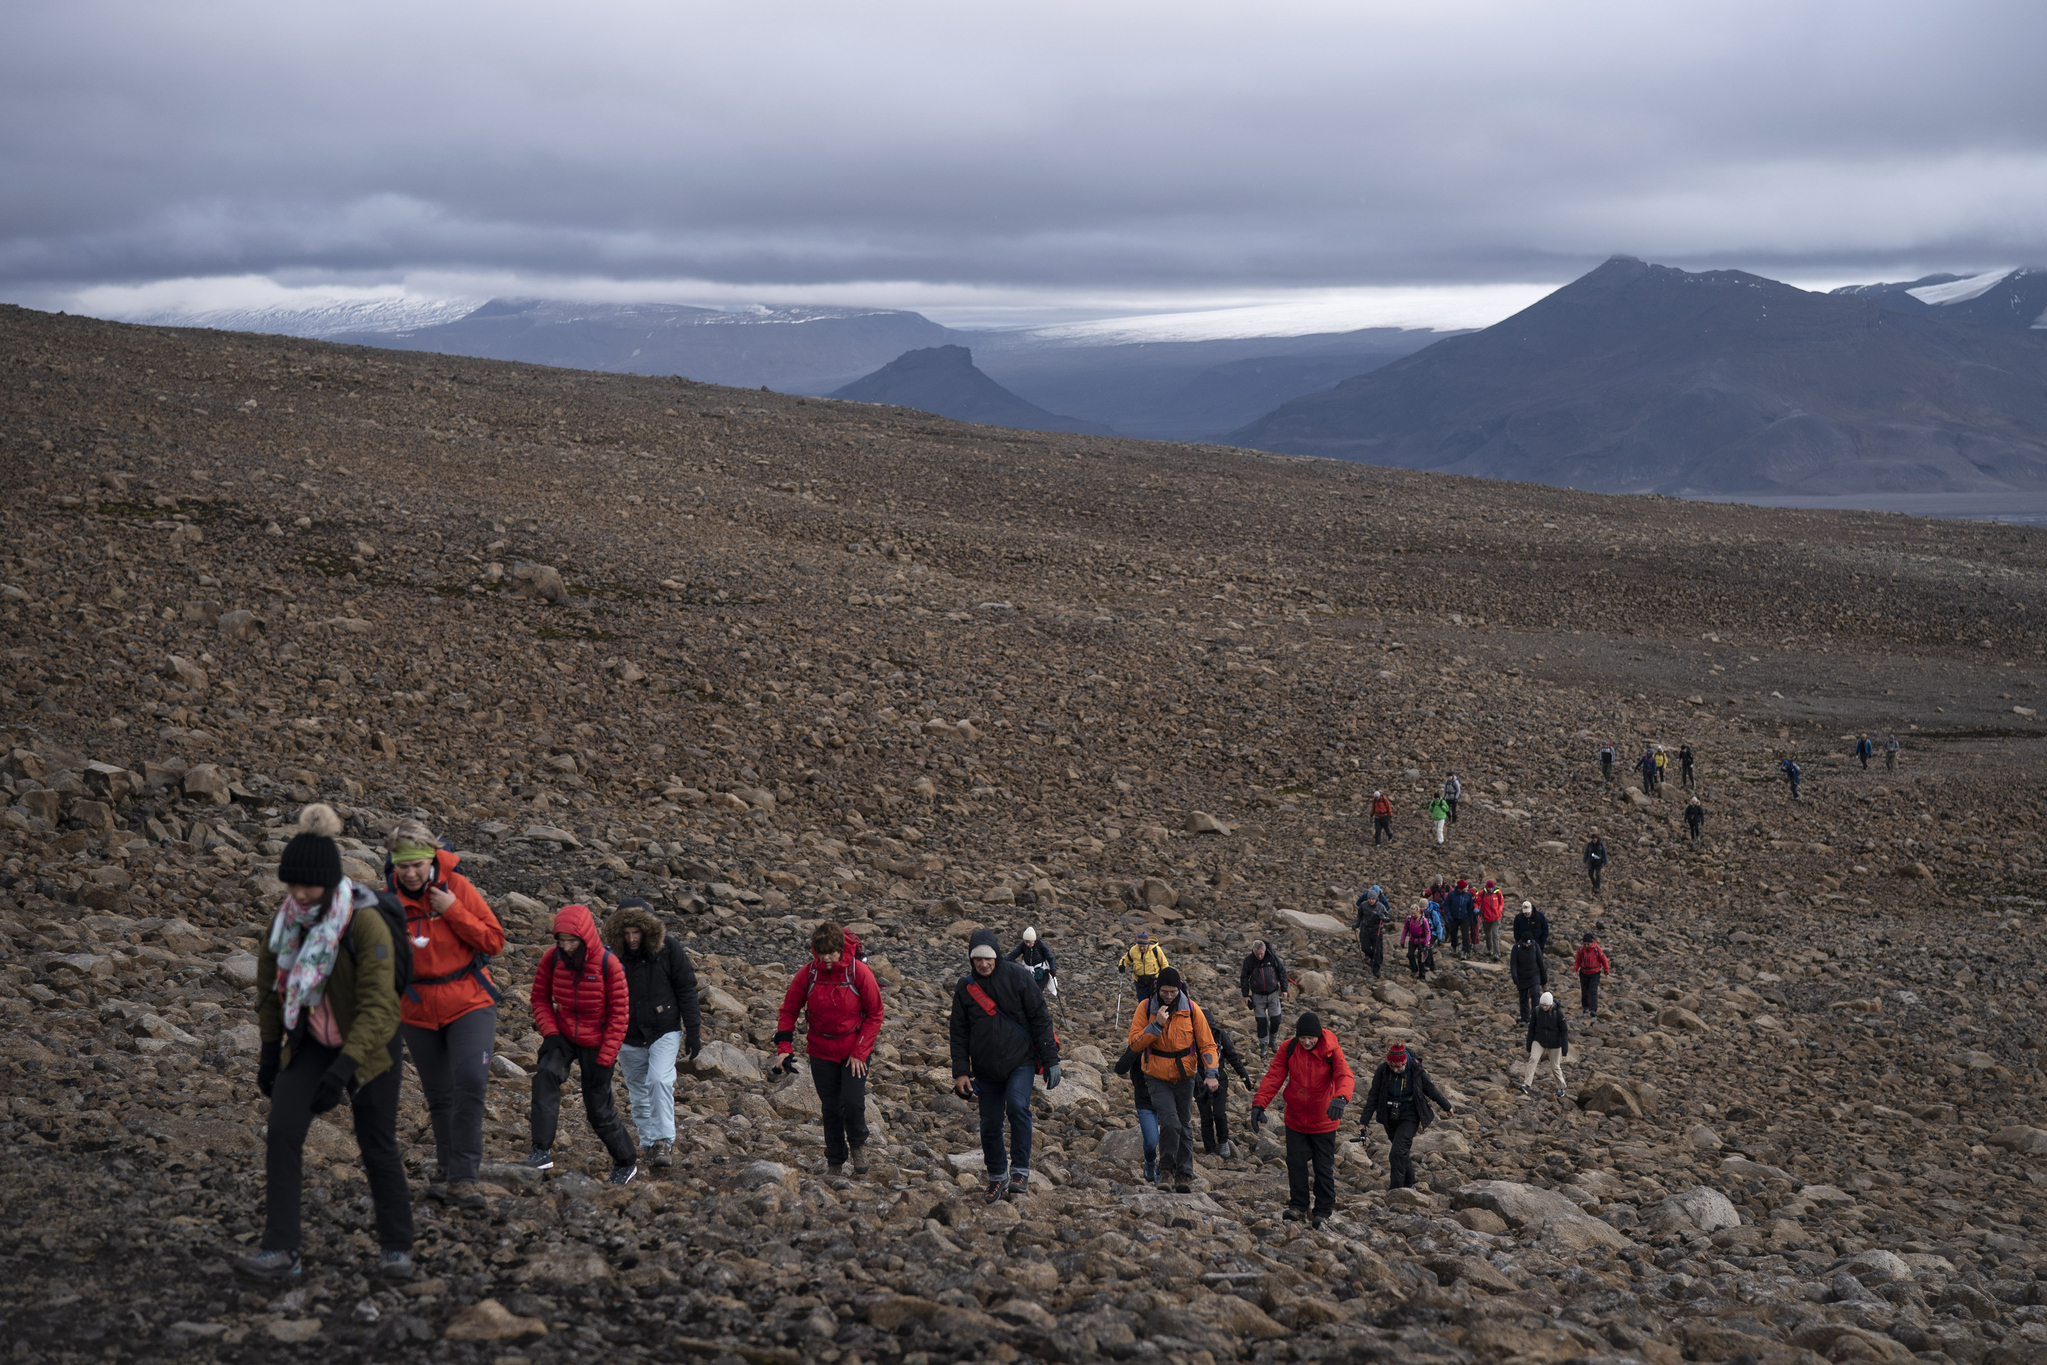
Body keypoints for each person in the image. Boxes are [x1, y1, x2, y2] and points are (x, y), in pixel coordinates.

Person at [241, 805, 414, 1283]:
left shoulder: (363, 924)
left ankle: (397, 1249)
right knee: (282, 1132)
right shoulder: (285, 924)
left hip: (371, 1049)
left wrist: (344, 1071)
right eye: (291, 886)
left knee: (375, 1143)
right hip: (312, 1042)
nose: (298, 895)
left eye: (308, 887)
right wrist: (269, 1053)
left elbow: (381, 1007)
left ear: (328, 882)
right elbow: (270, 991)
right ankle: (281, 1249)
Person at [384, 818, 503, 1212]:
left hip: (470, 1002)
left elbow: (493, 940)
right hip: (416, 1011)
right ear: (394, 865)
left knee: (470, 1082)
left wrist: (453, 911)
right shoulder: (386, 902)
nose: (412, 872)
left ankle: (464, 1179)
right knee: (439, 1097)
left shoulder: (457, 889)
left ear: (431, 858)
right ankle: (449, 1174)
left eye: (418, 863)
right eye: (404, 865)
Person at [526, 904, 638, 1184]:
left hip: (598, 1040)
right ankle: (540, 1150)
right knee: (546, 1077)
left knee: (597, 1109)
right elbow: (539, 997)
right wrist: (550, 1033)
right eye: (561, 940)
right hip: (563, 1034)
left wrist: (606, 1059)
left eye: (571, 940)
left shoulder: (607, 964)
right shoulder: (552, 959)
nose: (565, 946)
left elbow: (620, 1015)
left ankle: (626, 1161)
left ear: (586, 937)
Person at [951, 929, 1059, 1201]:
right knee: (989, 1124)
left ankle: (1020, 1170)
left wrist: (1051, 1061)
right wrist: (961, 1072)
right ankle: (997, 1176)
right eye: (978, 960)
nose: (983, 964)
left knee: (1018, 1105)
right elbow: (959, 1032)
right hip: (985, 1069)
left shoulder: (1019, 977)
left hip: (1020, 1061)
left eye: (988, 959)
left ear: (997, 956)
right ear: (971, 959)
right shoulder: (965, 988)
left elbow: (1040, 1019)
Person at [777, 921, 884, 1177]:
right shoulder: (808, 974)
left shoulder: (859, 972)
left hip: (853, 1050)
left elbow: (875, 1013)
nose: (825, 958)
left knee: (853, 1102)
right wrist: (783, 1047)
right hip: (821, 1050)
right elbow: (789, 1010)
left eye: (830, 953)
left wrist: (860, 1051)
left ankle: (858, 1144)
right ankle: (835, 1161)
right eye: (820, 952)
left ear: (840, 950)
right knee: (831, 1108)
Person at [608, 898, 701, 1171]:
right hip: (628, 1033)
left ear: (648, 930)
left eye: (636, 932)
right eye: (626, 934)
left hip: (665, 1029)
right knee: (638, 1091)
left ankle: (663, 1140)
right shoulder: (612, 956)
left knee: (659, 1080)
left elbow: (686, 988)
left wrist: (693, 1031)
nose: (632, 938)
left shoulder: (668, 949)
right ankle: (649, 1145)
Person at [1250, 1012, 1354, 1227]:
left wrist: (1341, 1098)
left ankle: (1323, 1211)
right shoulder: (1288, 1048)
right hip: (1295, 1118)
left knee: (1323, 1166)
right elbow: (1274, 1076)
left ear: (1318, 1036)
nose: (1307, 1042)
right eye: (1303, 1038)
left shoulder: (1331, 1051)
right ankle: (1298, 1206)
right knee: (1295, 1163)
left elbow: (1344, 1075)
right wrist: (1259, 1104)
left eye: (1311, 1038)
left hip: (1324, 1119)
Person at [1127, 967, 1219, 1193]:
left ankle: (1184, 1174)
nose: (1169, 996)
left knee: (1184, 1125)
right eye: (1165, 992)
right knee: (1170, 1122)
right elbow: (1135, 1044)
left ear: (1180, 989)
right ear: (1158, 989)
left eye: (1173, 992)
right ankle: (1166, 1170)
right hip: (1156, 1076)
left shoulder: (1191, 1009)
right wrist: (1156, 1025)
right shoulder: (1146, 1008)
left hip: (1185, 1076)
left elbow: (1207, 1044)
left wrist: (1211, 1073)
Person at [1359, 1042, 1452, 1191]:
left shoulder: (1415, 1070)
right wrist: (1364, 1121)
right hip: (1389, 1115)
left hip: (1410, 1115)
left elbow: (1430, 1089)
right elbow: (1373, 1096)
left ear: (1405, 1062)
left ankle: (1395, 1189)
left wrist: (1446, 1105)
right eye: (1392, 1066)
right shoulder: (1383, 1070)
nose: (1395, 1070)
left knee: (1396, 1152)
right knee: (1401, 1151)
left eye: (1399, 1067)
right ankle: (1410, 1184)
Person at [1197, 1022, 1253, 1158]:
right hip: (1199, 1081)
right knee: (1205, 1116)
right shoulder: (1191, 1037)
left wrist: (1244, 1076)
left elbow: (1232, 1056)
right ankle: (1209, 1148)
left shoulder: (1220, 1035)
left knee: (1219, 1113)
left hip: (1220, 1080)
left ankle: (1223, 1142)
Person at [1113, 1045, 1161, 1184]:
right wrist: (1136, 1049)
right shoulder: (1139, 1043)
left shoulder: (1171, 1041)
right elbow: (1120, 1068)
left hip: (1168, 1098)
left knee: (1170, 1137)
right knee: (1151, 1142)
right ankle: (1150, 1160)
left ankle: (1163, 1171)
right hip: (1144, 1099)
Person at [1239, 939, 1289, 1053]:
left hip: (1273, 994)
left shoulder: (1272, 957)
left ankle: (1273, 1041)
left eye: (1261, 953)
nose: (1260, 956)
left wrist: (1284, 989)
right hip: (1257, 996)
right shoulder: (1249, 960)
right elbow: (1244, 977)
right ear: (1253, 951)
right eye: (1257, 954)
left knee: (1276, 1019)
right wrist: (1246, 995)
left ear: (1264, 950)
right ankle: (1264, 1045)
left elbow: (1282, 972)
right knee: (1261, 1022)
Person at [1521, 991, 1570, 1098]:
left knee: (1555, 1066)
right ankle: (1526, 1084)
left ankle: (1561, 1087)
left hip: (1555, 1043)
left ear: (1551, 1004)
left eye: (1546, 1005)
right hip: (1539, 1040)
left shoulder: (1558, 1013)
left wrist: (1565, 1049)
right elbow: (1531, 1028)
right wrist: (1529, 1045)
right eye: (1542, 1005)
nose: (1544, 1007)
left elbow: (1564, 1031)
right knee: (1533, 1059)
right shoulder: (1536, 1011)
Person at [1117, 928, 1169, 1002]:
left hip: (1154, 980)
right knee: (1143, 1002)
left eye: (1143, 946)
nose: (1141, 948)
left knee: (1156, 1000)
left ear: (1147, 944)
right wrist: (1122, 966)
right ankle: (1144, 1013)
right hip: (1140, 981)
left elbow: (1164, 964)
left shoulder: (1156, 950)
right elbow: (1125, 959)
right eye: (1140, 946)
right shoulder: (1133, 950)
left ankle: (1154, 1013)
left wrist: (1165, 977)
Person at [1352, 885, 1390, 979]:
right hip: (1365, 930)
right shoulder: (1363, 905)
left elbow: (1388, 917)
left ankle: (1376, 969)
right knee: (1365, 948)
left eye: (1373, 899)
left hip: (1377, 931)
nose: (1371, 900)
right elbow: (1359, 916)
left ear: (1376, 898)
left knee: (1377, 950)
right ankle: (1373, 957)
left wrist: (1383, 918)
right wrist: (1356, 925)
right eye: (1369, 898)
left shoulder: (1381, 907)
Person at [1007, 926, 1058, 997]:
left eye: (1029, 942)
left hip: (1042, 973)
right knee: (1027, 992)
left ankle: (1036, 1006)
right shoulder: (1023, 945)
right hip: (1028, 972)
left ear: (1034, 940)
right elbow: (1012, 955)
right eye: (1026, 942)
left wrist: (1053, 969)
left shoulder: (1040, 945)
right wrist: (999, 959)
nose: (1027, 944)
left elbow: (1050, 957)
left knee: (1037, 993)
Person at [1508, 934, 1547, 1022]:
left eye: (1528, 944)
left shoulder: (1535, 946)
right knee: (1523, 998)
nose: (1527, 945)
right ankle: (1525, 1018)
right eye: (1525, 943)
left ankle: (1536, 1016)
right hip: (1522, 976)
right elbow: (1513, 964)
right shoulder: (1516, 948)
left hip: (1534, 974)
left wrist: (1544, 977)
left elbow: (1540, 962)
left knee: (1535, 994)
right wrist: (1515, 977)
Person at [1573, 931, 1610, 1015]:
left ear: (1591, 943)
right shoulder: (1581, 949)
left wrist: (1606, 971)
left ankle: (1593, 1009)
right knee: (1584, 990)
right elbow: (1577, 960)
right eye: (1584, 944)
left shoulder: (1597, 949)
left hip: (1595, 973)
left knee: (1593, 990)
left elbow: (1604, 960)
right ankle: (1586, 1007)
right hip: (1583, 973)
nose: (1586, 946)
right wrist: (1575, 971)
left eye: (1587, 944)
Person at [1444, 878, 1476, 957]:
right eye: (1466, 887)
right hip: (1453, 917)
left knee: (1465, 933)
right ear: (1461, 888)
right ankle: (1454, 946)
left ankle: (1465, 950)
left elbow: (1470, 907)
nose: (1467, 888)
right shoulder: (1452, 894)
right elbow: (1445, 905)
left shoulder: (1468, 895)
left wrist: (1471, 919)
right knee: (1453, 933)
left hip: (1464, 917)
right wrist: (1449, 915)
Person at [1477, 879, 1505, 961]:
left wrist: (1499, 911)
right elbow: (1477, 902)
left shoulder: (1498, 892)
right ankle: (1489, 950)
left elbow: (1501, 902)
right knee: (1488, 935)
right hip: (1486, 918)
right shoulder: (1482, 893)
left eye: (1491, 888)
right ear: (1487, 887)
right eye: (1489, 888)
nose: (1490, 889)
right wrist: (1476, 908)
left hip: (1496, 918)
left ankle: (1496, 953)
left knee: (1495, 935)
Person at [1401, 904, 1432, 979]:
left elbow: (1428, 932)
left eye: (1414, 913)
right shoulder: (1409, 919)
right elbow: (1405, 930)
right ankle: (1414, 969)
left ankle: (1422, 975)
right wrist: (1402, 940)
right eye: (1411, 913)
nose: (1412, 915)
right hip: (1412, 939)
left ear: (1418, 912)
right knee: (1410, 955)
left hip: (1422, 940)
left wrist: (1427, 943)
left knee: (1420, 959)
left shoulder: (1423, 920)